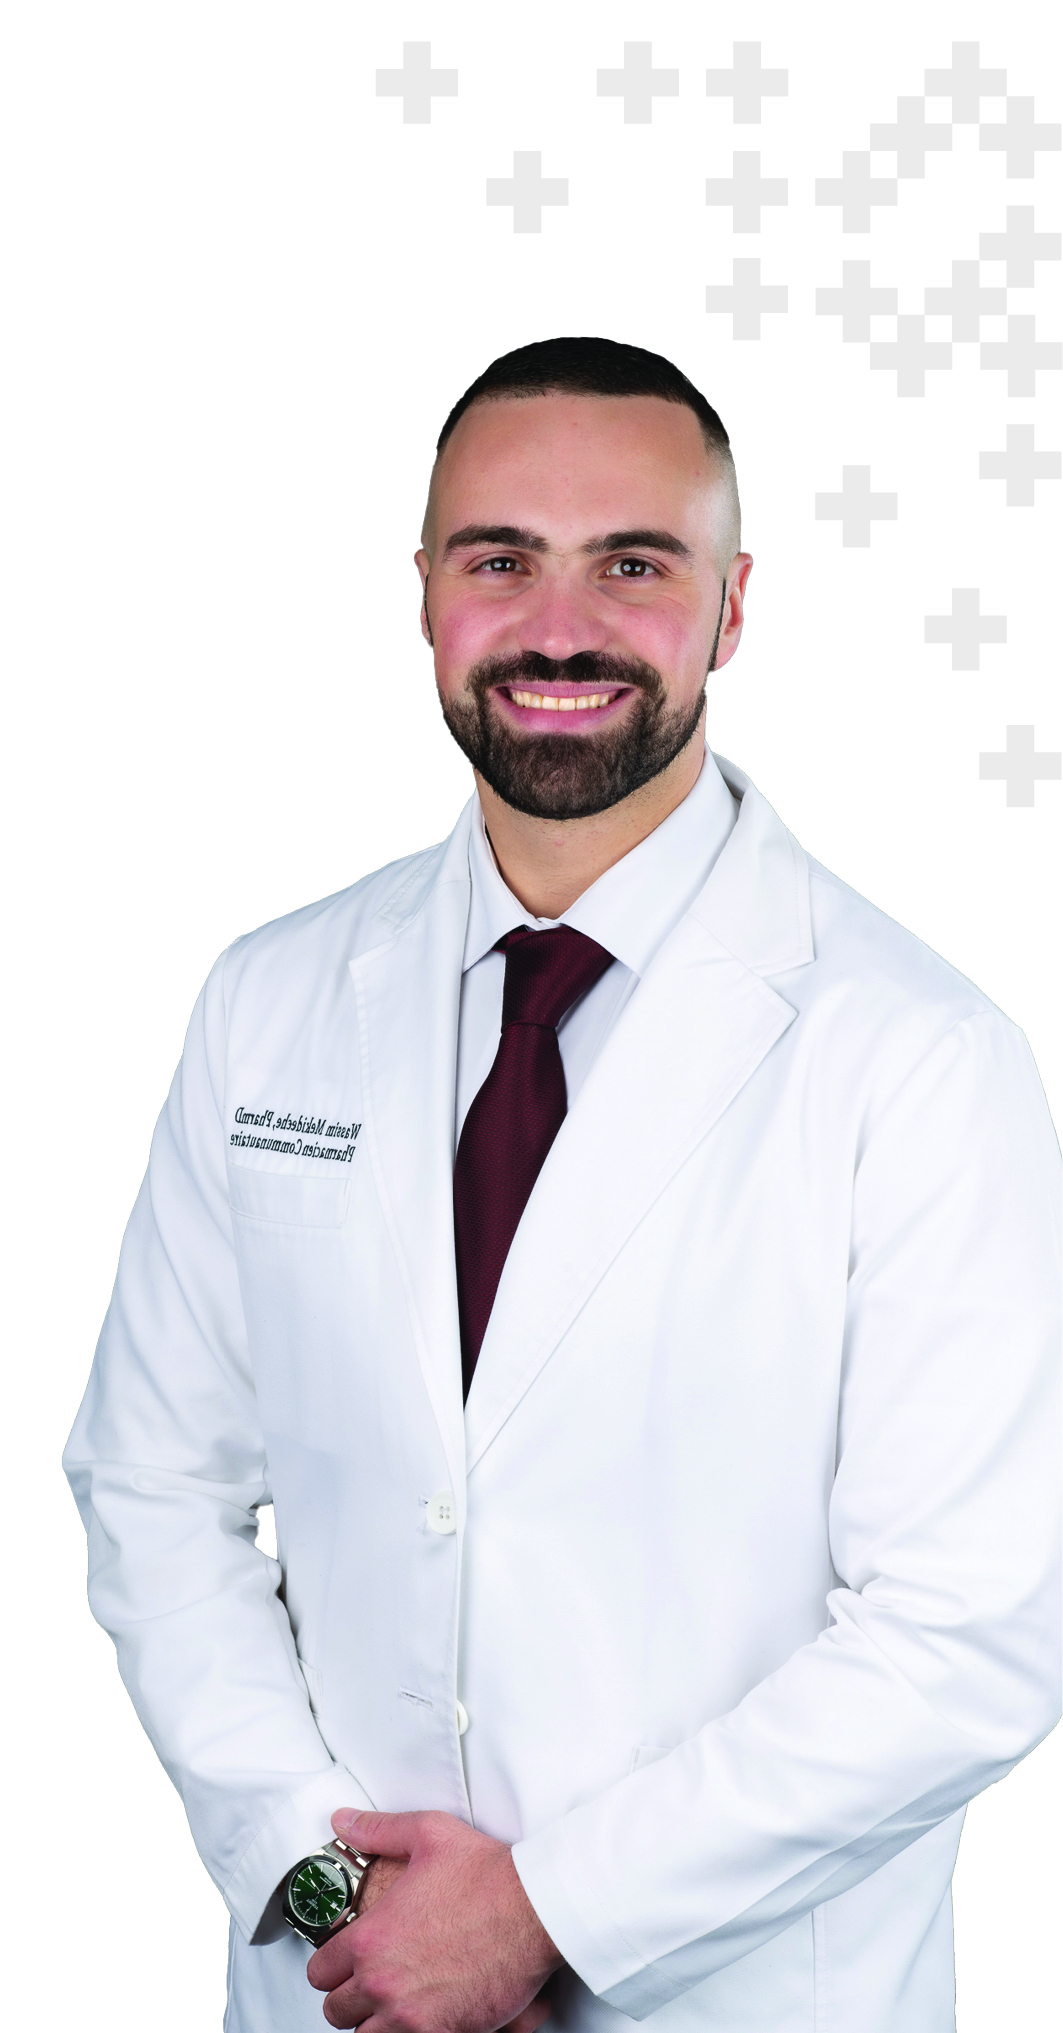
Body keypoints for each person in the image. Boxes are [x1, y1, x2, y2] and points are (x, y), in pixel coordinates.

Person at [65, 337, 1060, 2033]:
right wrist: (329, 1888)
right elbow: (152, 1484)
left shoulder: (914, 1057)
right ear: (423, 592)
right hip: (341, 1986)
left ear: (730, 608)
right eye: (500, 559)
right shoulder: (271, 1000)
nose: (556, 627)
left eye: (632, 565)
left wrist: (539, 1917)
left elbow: (972, 1631)